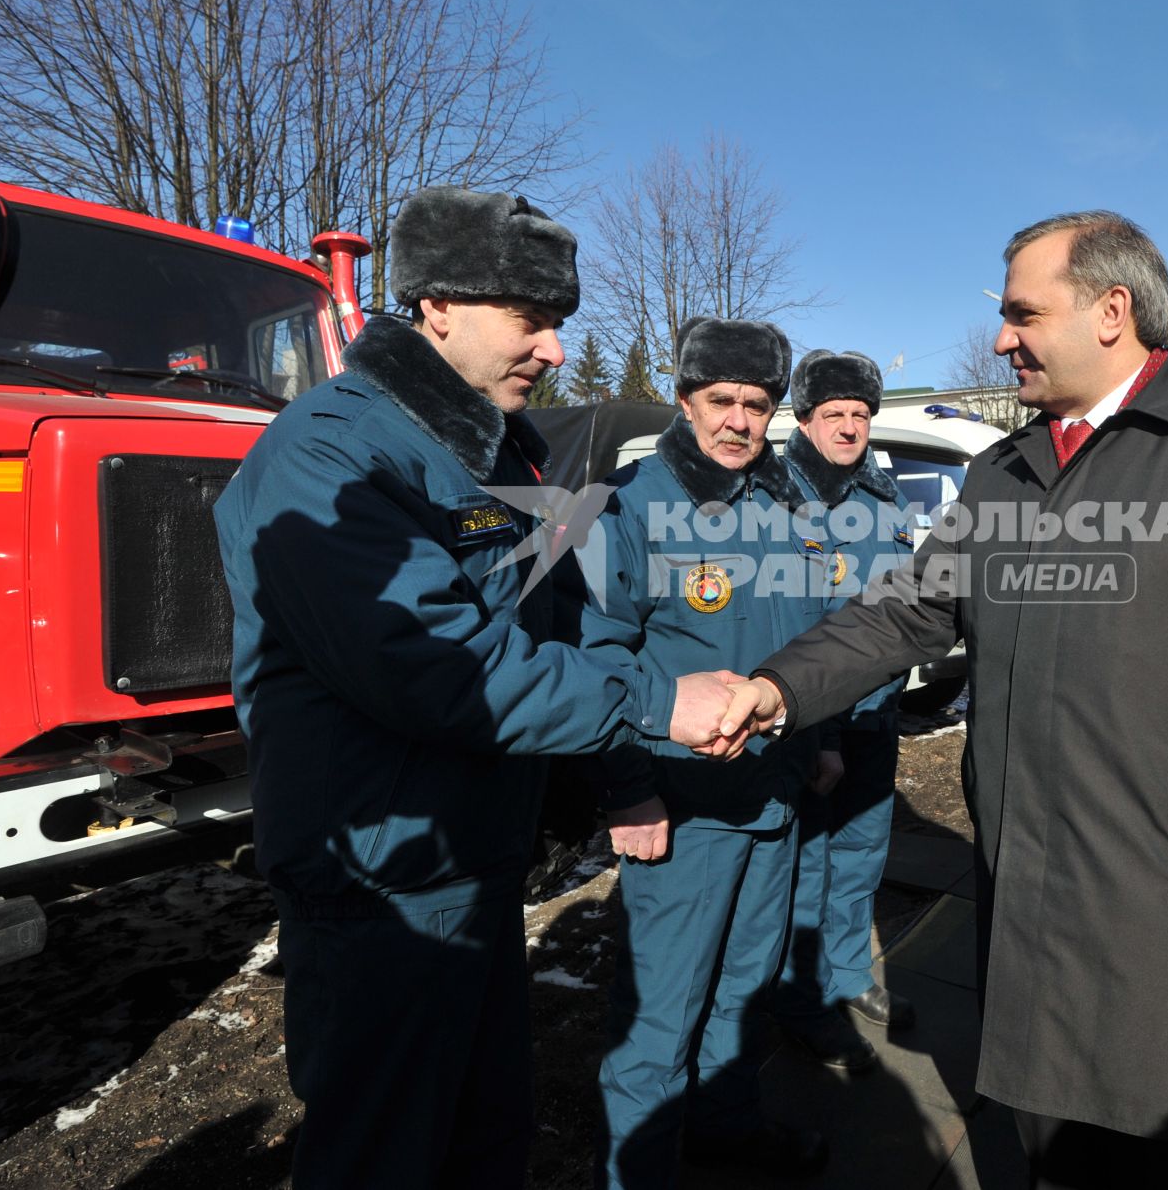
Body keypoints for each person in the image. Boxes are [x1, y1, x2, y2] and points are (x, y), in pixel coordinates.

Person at [722, 211, 1168, 1189]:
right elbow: (908, 613)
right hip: (1027, 921)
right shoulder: (1006, 469)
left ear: (1112, 310)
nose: (1001, 338)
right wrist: (772, 686)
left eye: (1021, 313)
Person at [213, 187, 745, 1189]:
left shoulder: (503, 450)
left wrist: (615, 771)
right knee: (384, 1153)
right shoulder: (330, 451)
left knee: (481, 1139)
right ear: (438, 303)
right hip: (383, 880)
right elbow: (437, 664)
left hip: (477, 860)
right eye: (531, 319)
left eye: (559, 323)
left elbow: (558, 623)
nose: (553, 349)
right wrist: (659, 702)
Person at [569, 317, 830, 1187]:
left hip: (774, 799)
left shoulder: (788, 498)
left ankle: (725, 1140)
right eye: (721, 400)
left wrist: (814, 745)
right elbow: (598, 659)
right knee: (662, 1018)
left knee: (744, 998)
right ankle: (639, 1171)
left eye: (758, 404)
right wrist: (626, 791)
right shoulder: (630, 506)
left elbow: (812, 634)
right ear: (686, 400)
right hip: (681, 808)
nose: (739, 420)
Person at [773, 348, 917, 1073]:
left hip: (876, 715)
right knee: (810, 861)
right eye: (835, 413)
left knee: (861, 850)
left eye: (861, 414)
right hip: (816, 720)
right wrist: (821, 730)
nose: (851, 426)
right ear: (804, 418)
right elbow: (802, 623)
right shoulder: (783, 495)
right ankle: (803, 1001)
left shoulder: (882, 499)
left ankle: (849, 976)